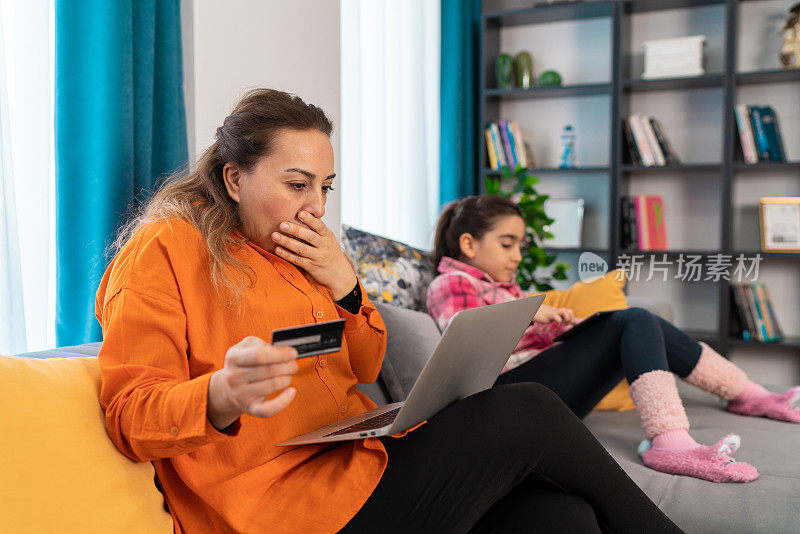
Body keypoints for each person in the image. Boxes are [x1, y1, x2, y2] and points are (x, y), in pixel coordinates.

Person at [96, 88, 683, 533]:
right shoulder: (165, 251)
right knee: (527, 408)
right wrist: (221, 394)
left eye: (325, 187)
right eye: (297, 184)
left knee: (562, 516)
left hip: (356, 463)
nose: (315, 207)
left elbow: (361, 364)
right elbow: (129, 416)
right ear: (233, 178)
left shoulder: (299, 251)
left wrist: (347, 287)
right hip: (282, 509)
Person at [427, 194, 800, 484]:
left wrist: (562, 325)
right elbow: (465, 343)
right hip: (503, 397)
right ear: (469, 244)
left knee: (639, 322)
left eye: (520, 245)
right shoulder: (451, 282)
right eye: (507, 244)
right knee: (633, 321)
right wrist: (528, 313)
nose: (517, 256)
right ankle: (670, 442)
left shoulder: (504, 288)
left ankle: (747, 395)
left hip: (534, 387)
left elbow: (529, 342)